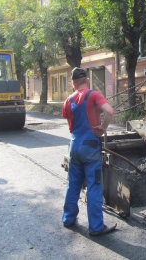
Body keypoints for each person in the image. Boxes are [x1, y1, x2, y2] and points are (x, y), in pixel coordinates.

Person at [61, 67, 116, 236]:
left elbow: (71, 119)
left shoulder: (68, 100)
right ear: (87, 80)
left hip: (74, 146)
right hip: (90, 147)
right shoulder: (93, 95)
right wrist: (103, 127)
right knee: (93, 186)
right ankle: (96, 227)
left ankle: (68, 219)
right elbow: (110, 111)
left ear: (73, 83)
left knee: (73, 185)